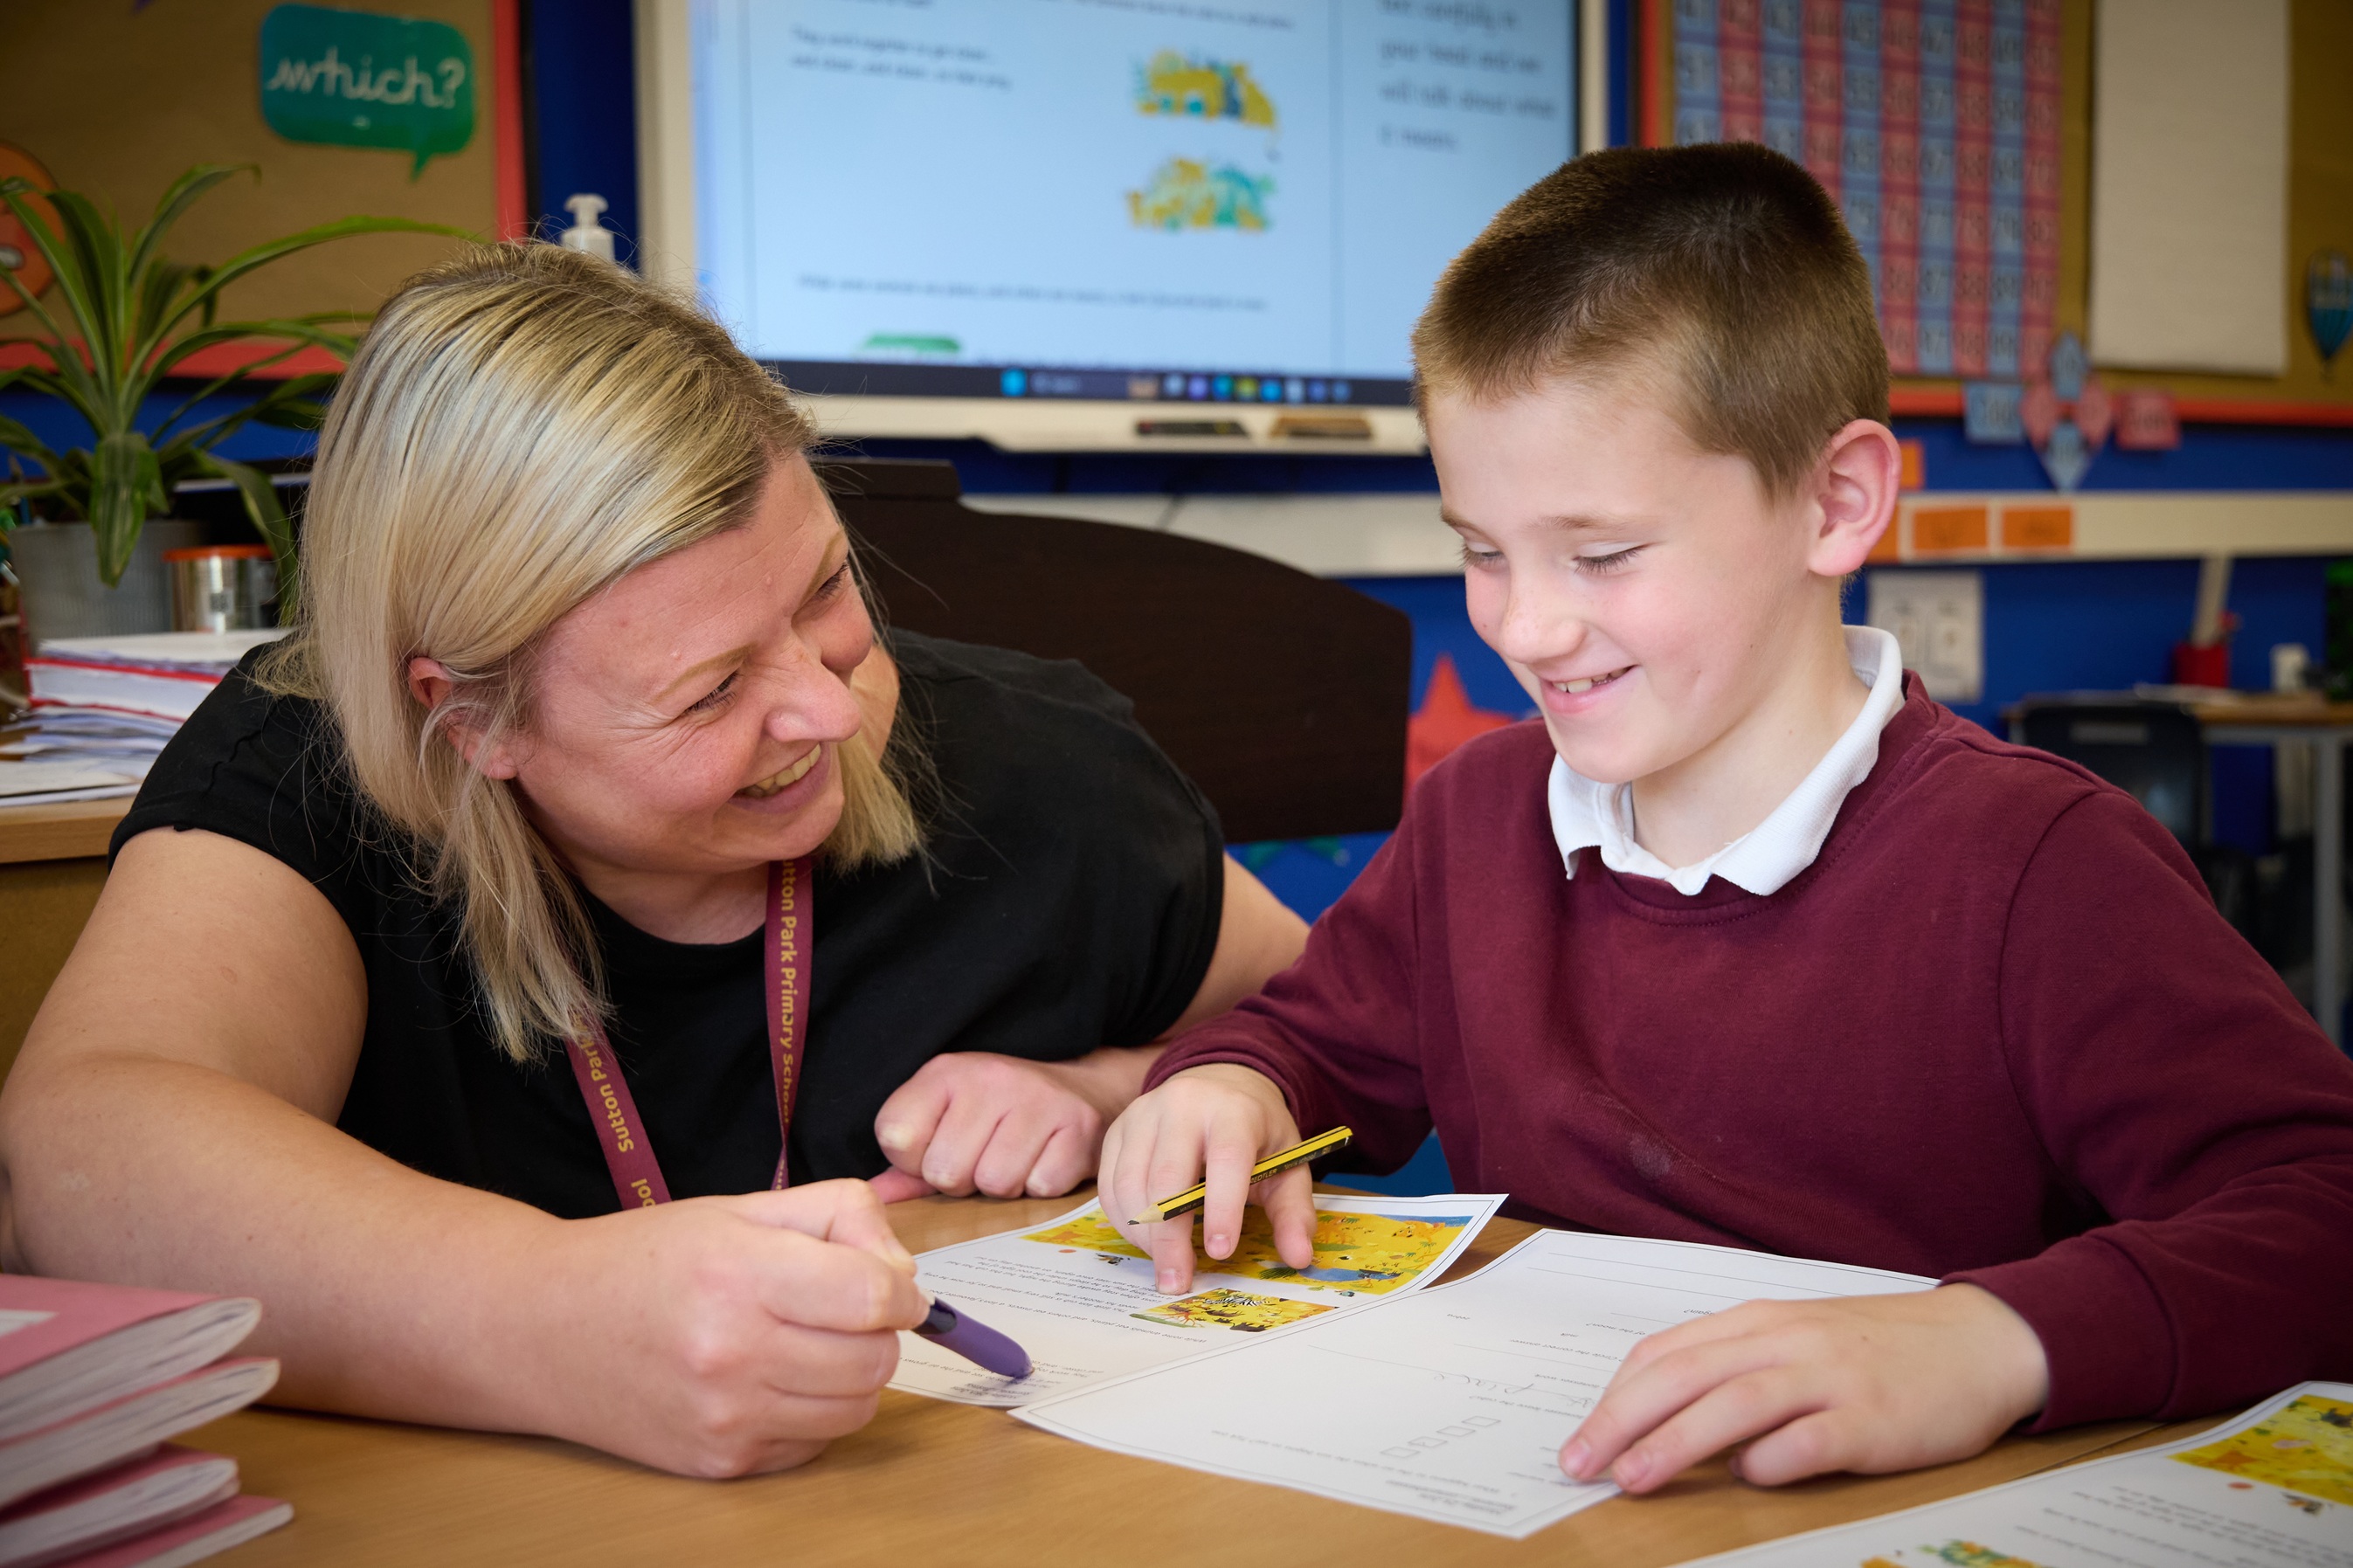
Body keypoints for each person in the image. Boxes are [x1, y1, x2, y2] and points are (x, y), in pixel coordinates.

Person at [1101, 144, 2353, 1495]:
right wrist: (1231, 1087)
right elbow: (1308, 1040)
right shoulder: (1478, 818)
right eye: (1479, 548)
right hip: (1547, 1487)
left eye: (1601, 555)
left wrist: (1991, 1340)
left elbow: (2321, 1207)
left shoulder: (2038, 867)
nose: (1525, 624)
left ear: (1835, 501)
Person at [0, 244, 1306, 1477]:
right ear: (468, 719)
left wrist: (1107, 1084)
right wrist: (555, 1319)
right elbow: (85, 1156)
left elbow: (1324, 1025)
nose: (828, 713)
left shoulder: (1040, 767)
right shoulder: (308, 774)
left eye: (822, 592)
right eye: (708, 689)